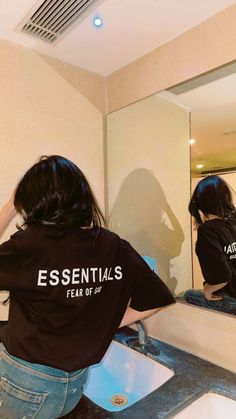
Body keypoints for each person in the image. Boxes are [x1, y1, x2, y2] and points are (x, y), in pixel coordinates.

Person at [0, 155, 175, 418]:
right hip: (74, 387)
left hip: (25, 384)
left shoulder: (30, 245)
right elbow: (156, 297)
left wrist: (9, 206)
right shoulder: (112, 245)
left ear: (32, 199)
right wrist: (106, 322)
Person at [184, 175, 236, 315]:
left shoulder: (208, 230)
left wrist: (208, 290)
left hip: (231, 300)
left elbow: (222, 276)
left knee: (187, 295)